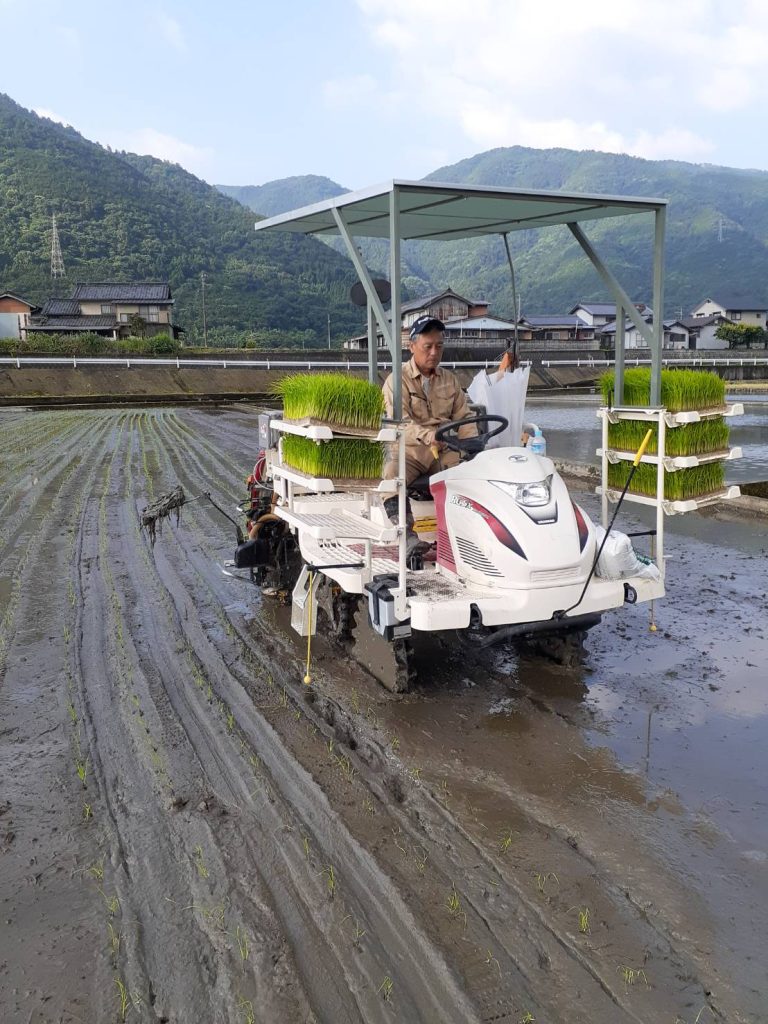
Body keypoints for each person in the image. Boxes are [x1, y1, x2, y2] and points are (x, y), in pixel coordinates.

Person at [382, 315, 478, 486]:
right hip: (409, 454)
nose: (434, 352)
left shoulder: (449, 379)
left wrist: (472, 447)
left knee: (475, 472)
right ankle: (398, 513)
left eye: (439, 346)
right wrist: (429, 436)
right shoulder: (397, 380)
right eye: (428, 347)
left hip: (444, 451)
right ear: (412, 347)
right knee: (391, 472)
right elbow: (399, 423)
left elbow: (464, 418)